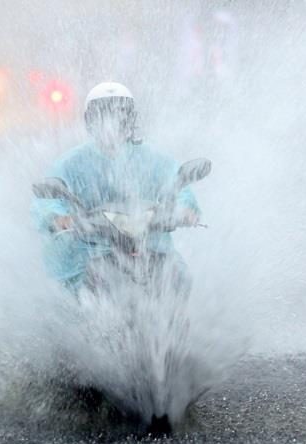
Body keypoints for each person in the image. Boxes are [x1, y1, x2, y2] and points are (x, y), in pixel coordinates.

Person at [31, 82, 201, 296]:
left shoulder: (153, 158)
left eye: (120, 113)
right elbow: (47, 199)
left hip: (150, 244)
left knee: (178, 275)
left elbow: (177, 185)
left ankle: (175, 323)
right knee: (87, 285)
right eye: (103, 114)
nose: (112, 121)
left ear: (131, 118)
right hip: (91, 251)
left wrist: (185, 210)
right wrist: (57, 217)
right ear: (90, 120)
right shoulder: (71, 162)